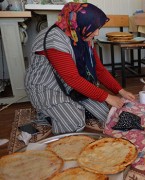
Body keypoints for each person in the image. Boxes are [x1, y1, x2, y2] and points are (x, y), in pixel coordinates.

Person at [24, 2, 135, 135]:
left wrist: (120, 91)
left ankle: (69, 107)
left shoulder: (81, 34)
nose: (97, 33)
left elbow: (99, 69)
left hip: (68, 84)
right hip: (46, 86)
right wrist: (107, 97)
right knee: (74, 123)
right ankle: (46, 113)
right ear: (81, 23)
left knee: (107, 114)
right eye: (95, 28)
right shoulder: (55, 39)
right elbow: (73, 78)